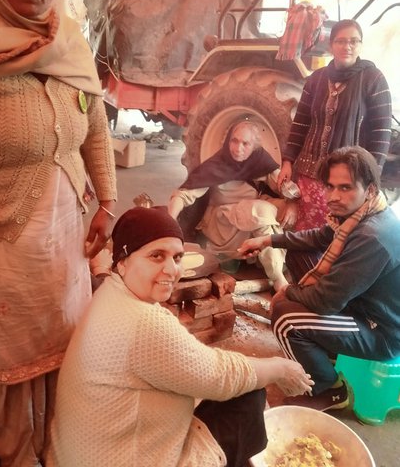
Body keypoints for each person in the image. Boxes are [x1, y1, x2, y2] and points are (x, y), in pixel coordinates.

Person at [0, 0, 117, 465]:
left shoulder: (68, 41)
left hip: (64, 246)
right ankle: (13, 449)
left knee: (63, 348)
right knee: (6, 376)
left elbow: (95, 121)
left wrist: (107, 201)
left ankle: (55, 440)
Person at [47, 206, 313, 467]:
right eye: (156, 256)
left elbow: (195, 367)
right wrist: (281, 368)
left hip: (76, 454)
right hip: (120, 456)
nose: (171, 270)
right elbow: (222, 376)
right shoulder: (144, 322)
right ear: (123, 262)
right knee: (248, 400)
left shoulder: (108, 293)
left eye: (176, 258)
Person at [239, 146, 400, 411]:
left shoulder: (373, 237)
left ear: (369, 189)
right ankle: (325, 353)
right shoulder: (360, 214)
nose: (334, 196)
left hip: (380, 331)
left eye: (345, 188)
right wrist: (268, 239)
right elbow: (318, 237)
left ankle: (330, 390)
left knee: (286, 319)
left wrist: (288, 291)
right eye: (330, 186)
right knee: (298, 256)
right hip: (362, 303)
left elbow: (326, 301)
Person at [278, 19, 392, 230]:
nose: (347, 46)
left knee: (341, 239)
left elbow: (381, 133)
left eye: (353, 41)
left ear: (360, 45)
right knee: (306, 238)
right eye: (340, 41)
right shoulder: (316, 80)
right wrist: (287, 161)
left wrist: (372, 179)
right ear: (331, 45)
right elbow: (301, 124)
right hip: (308, 178)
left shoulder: (373, 79)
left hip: (347, 180)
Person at [168, 119, 300, 290]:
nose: (238, 148)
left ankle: (282, 259)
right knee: (261, 210)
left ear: (254, 146)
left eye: (246, 143)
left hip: (250, 216)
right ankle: (277, 277)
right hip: (224, 221)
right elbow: (183, 195)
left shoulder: (259, 159)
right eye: (234, 141)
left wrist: (292, 202)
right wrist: (169, 222)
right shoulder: (216, 164)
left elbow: (282, 185)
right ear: (228, 140)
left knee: (289, 210)